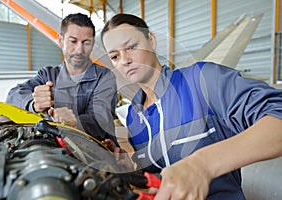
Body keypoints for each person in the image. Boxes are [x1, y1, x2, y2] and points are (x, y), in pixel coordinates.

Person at [100, 13, 282, 200]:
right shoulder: (133, 116)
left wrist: (202, 164)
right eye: (114, 56)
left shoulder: (201, 81)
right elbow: (159, 176)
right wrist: (129, 167)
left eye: (131, 47)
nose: (124, 60)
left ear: (151, 40)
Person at [6, 13, 118, 144]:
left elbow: (101, 121)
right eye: (73, 41)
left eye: (86, 43)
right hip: (56, 145)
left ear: (93, 44)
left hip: (101, 149)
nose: (79, 49)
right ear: (60, 40)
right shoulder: (47, 75)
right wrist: (33, 104)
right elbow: (12, 96)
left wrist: (73, 121)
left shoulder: (105, 77)